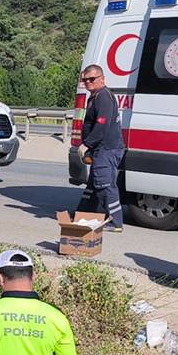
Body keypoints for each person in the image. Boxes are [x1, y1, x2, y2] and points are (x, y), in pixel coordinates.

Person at [75, 64, 124, 232]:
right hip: (100, 149)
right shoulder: (95, 96)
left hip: (106, 148)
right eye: (85, 80)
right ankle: (83, 215)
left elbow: (102, 125)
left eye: (92, 79)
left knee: (105, 185)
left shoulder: (103, 97)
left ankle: (115, 222)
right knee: (94, 185)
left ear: (102, 79)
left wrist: (87, 143)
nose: (88, 82)